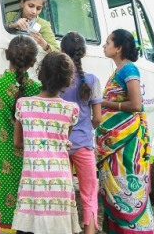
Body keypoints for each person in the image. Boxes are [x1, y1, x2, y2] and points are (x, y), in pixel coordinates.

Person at [12, 52, 81, 234]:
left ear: (40, 73)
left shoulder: (23, 105)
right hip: (60, 183)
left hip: (32, 184)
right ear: (67, 80)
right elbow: (64, 142)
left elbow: (18, 142)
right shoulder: (71, 109)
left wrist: (37, 144)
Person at [96, 29, 154, 234]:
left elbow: (136, 104)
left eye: (108, 42)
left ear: (118, 48)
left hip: (127, 144)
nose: (104, 45)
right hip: (117, 144)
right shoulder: (119, 71)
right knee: (115, 185)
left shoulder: (129, 70)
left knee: (128, 184)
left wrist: (105, 103)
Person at [0, 34, 41, 233]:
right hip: (31, 161)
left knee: (7, 216)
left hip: (3, 159)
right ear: (33, 62)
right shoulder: (37, 89)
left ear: (7, 55)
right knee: (30, 214)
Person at [60, 32, 102, 234]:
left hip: (61, 145)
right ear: (84, 53)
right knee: (89, 193)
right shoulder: (92, 80)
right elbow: (98, 118)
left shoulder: (58, 81)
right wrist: (87, 130)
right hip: (84, 144)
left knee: (65, 193)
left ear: (61, 52)